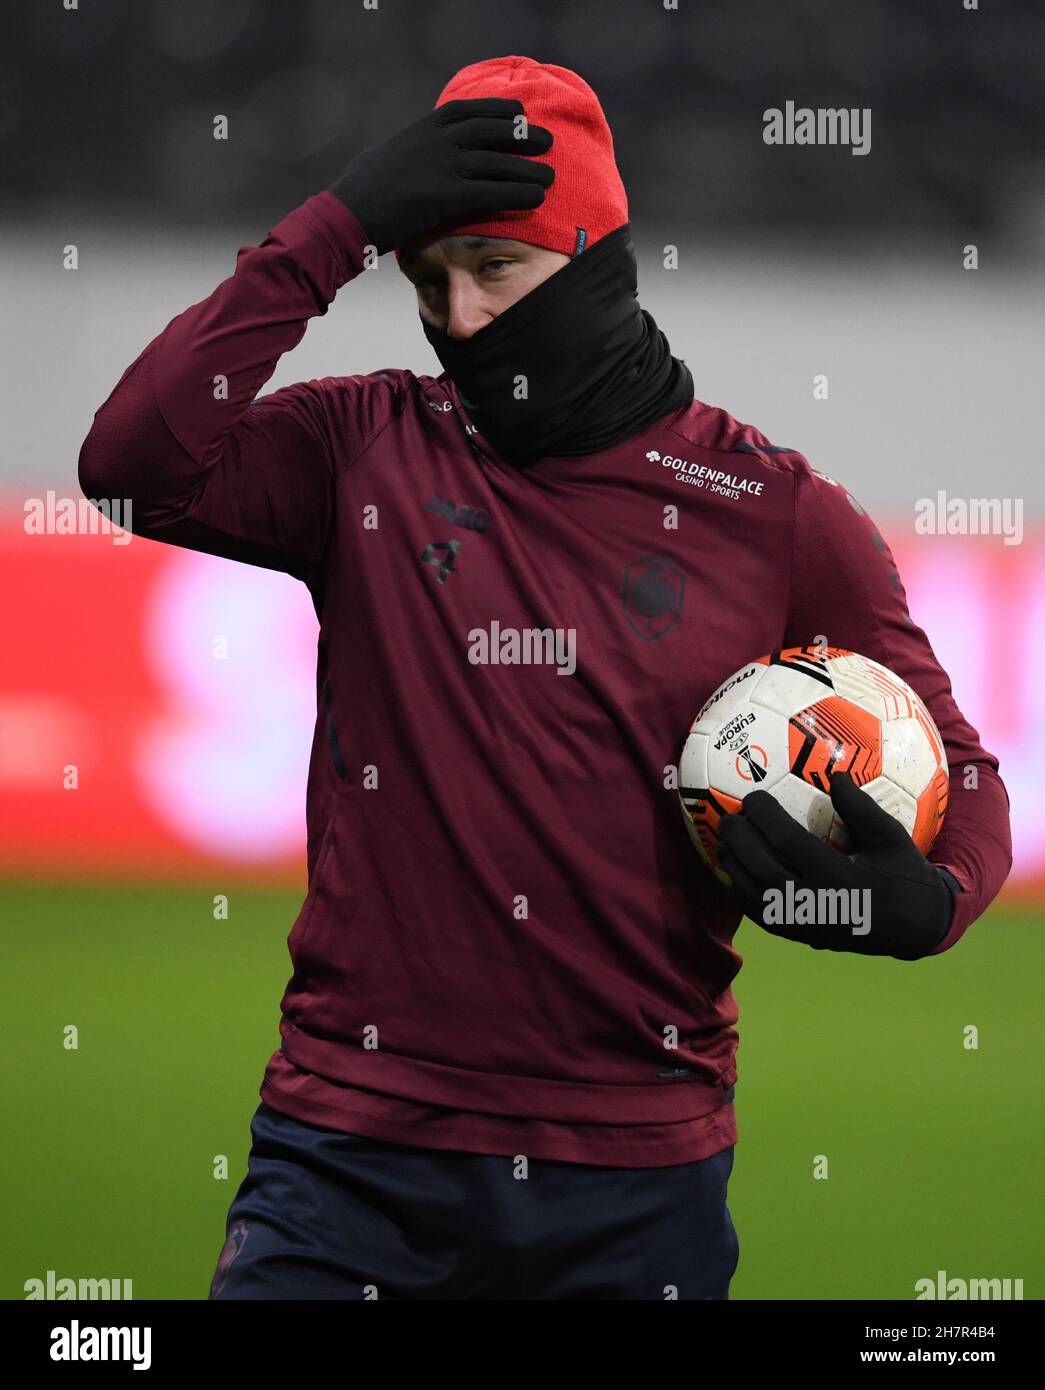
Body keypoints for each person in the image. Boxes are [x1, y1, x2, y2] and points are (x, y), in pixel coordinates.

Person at [78, 56, 1011, 1300]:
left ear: (598, 260)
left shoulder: (775, 514)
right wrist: (332, 231)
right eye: (427, 279)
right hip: (348, 1156)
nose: (460, 319)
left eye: (497, 270)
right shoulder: (360, 447)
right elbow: (133, 463)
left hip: (630, 1185)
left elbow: (969, 779)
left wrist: (919, 903)